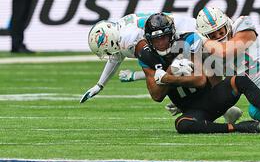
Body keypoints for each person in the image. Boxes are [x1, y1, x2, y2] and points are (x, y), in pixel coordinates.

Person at [138, 13, 260, 134]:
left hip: (212, 97)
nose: (161, 42)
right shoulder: (146, 55)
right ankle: (239, 127)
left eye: (164, 37)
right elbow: (156, 95)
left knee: (240, 80)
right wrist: (171, 72)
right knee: (182, 124)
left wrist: (167, 78)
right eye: (156, 39)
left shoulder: (187, 41)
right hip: (194, 111)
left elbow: (199, 80)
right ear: (149, 40)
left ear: (171, 34)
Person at [81, 12, 245, 124]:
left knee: (209, 68)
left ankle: (226, 104)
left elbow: (154, 65)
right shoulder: (120, 31)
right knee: (193, 71)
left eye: (105, 49)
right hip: (177, 35)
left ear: (108, 41)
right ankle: (224, 107)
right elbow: (117, 57)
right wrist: (100, 84)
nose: (108, 54)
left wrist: (140, 76)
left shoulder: (128, 38)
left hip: (187, 33)